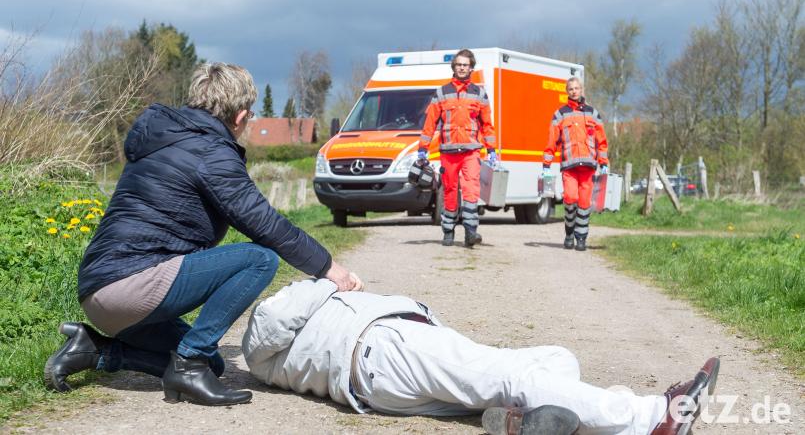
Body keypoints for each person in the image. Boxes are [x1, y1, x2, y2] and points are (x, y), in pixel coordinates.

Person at [44, 63, 362, 406]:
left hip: (97, 292)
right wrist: (329, 267)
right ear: (240, 116)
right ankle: (189, 364)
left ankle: (95, 350)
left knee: (214, 363)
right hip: (131, 287)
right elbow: (265, 224)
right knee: (259, 259)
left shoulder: (163, 137)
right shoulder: (211, 152)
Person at [242, 279, 719, 435]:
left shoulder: (283, 351)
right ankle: (651, 418)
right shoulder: (265, 322)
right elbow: (264, 333)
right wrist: (329, 277)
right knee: (509, 373)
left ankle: (531, 424)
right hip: (380, 351)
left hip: (385, 371)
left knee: (555, 357)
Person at [418, 48, 497, 247]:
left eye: (466, 65)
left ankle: (471, 231)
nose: (462, 68)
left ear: (471, 68)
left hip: (471, 151)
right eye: (459, 64)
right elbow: (430, 123)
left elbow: (487, 124)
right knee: (450, 190)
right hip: (448, 152)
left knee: (471, 189)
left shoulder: (479, 93)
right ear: (454, 66)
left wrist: (493, 149)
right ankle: (448, 231)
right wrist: (422, 148)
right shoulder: (442, 92)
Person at [543, 76, 609, 252]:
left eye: (577, 88)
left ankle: (581, 238)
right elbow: (552, 140)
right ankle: (569, 232)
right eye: (571, 89)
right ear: (567, 91)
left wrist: (603, 162)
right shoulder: (560, 114)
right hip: (569, 167)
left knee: (585, 202)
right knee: (570, 199)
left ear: (582, 90)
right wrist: (547, 162)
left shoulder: (593, 113)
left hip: (588, 167)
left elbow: (601, 141)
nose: (574, 91)